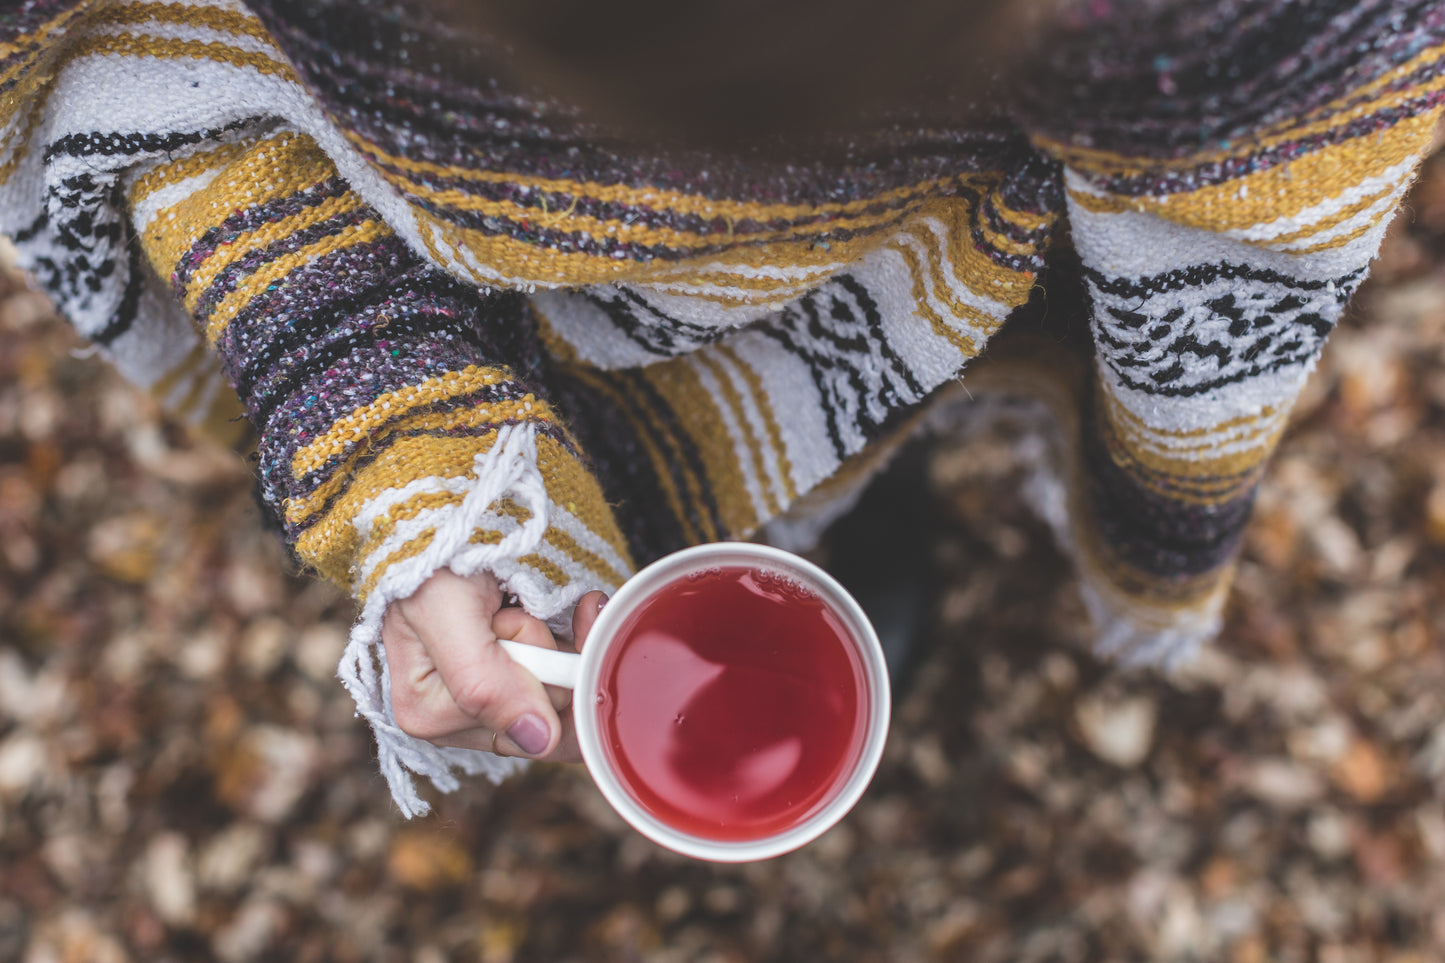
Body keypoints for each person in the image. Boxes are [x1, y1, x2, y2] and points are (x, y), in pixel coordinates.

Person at [2, 0, 1442, 817]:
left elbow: (1248, 222)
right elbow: (176, 72)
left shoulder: (1213, 25)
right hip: (472, 308)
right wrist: (401, 442)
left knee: (880, 435)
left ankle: (862, 506)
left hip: (949, 281)